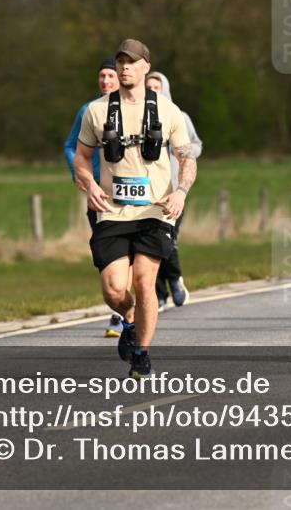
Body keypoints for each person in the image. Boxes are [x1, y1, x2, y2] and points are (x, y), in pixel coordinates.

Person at [74, 39, 195, 378]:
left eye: (132, 62)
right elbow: (82, 158)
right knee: (114, 289)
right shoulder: (97, 111)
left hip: (155, 211)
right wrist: (90, 183)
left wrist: (181, 191)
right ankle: (128, 319)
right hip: (112, 211)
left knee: (144, 281)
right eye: (120, 61)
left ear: (145, 67)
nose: (125, 67)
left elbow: (187, 158)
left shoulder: (168, 111)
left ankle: (142, 353)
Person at [64, 58, 123, 337]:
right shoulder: (87, 110)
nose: (105, 81)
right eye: (102, 76)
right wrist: (80, 175)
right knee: (108, 253)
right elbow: (70, 146)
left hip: (129, 192)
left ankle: (128, 310)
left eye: (110, 75)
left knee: (132, 257)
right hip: (98, 193)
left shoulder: (135, 109)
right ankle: (118, 311)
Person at [145, 71, 203, 309]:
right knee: (149, 243)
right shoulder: (140, 117)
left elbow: (196, 146)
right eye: (149, 87)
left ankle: (175, 279)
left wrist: (182, 152)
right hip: (149, 191)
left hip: (174, 188)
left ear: (165, 89)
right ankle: (159, 295)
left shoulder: (179, 116)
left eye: (157, 87)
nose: (153, 91)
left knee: (168, 239)